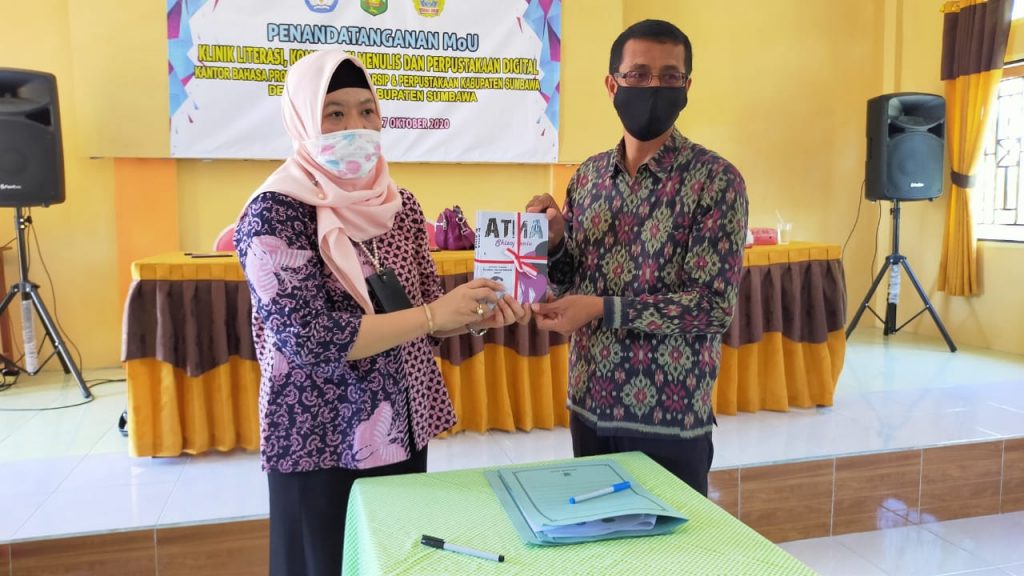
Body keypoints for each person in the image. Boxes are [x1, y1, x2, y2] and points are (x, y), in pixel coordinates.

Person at [234, 49, 528, 576]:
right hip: (320, 435)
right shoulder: (275, 212)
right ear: (303, 119)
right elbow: (311, 340)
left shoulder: (401, 205)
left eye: (367, 110)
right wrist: (434, 316)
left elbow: (424, 313)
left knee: (395, 559)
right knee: (324, 563)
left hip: (400, 426)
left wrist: (474, 314)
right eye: (335, 113)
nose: (357, 126)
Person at [526, 20, 748, 496]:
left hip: (669, 417)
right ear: (613, 85)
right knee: (594, 537)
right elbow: (568, 284)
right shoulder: (587, 178)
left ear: (687, 87)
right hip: (590, 405)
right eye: (639, 74)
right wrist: (556, 243)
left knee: (670, 542)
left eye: (670, 77)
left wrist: (602, 309)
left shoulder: (716, 180)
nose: (654, 87)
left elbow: (711, 308)